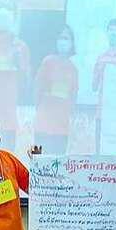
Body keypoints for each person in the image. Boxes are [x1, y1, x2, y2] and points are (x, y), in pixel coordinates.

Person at [0, 0, 30, 150]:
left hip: (9, 117)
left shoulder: (20, 47)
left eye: (8, 8)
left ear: (14, 16)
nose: (4, 11)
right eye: (0, 7)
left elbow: (26, 85)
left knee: (7, 156)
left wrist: (19, 64)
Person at [34, 25, 78, 154]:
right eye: (61, 38)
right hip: (44, 124)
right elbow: (37, 88)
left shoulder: (73, 69)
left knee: (58, 162)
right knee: (41, 161)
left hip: (62, 127)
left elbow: (73, 96)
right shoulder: (48, 62)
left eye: (66, 38)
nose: (63, 41)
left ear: (72, 43)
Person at [91, 18, 116, 94]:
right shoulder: (101, 59)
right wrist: (98, 72)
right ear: (107, 33)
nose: (113, 33)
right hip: (104, 101)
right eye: (111, 30)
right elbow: (94, 88)